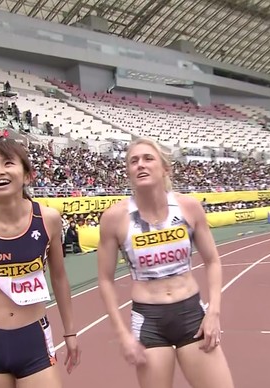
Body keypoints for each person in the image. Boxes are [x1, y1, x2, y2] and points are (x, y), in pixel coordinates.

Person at [97, 138, 234, 388]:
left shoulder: (188, 207)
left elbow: (213, 260)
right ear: (128, 171)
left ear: (165, 168)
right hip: (149, 321)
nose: (140, 165)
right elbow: (105, 280)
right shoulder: (114, 218)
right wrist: (122, 334)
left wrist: (213, 312)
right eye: (133, 161)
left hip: (192, 315)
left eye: (148, 158)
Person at [0, 139, 81, 388]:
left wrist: (70, 332)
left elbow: (60, 278)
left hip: (33, 339)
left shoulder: (47, 219)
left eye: (8, 163)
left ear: (28, 176)